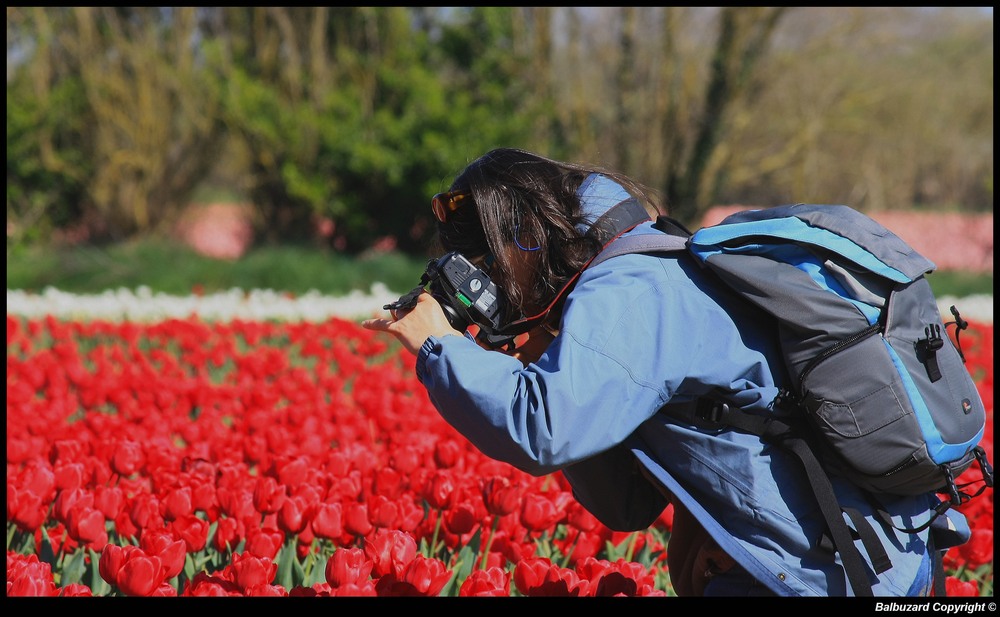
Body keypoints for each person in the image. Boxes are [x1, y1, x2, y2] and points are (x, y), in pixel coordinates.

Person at [362, 147, 967, 596]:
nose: (485, 285)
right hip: (865, 559)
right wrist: (540, 352)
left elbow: (542, 429)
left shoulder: (633, 291)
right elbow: (625, 507)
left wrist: (439, 345)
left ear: (528, 238)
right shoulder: (651, 266)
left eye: (486, 261)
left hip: (826, 574)